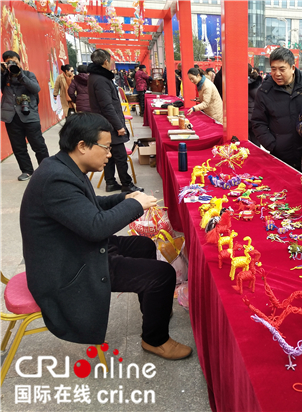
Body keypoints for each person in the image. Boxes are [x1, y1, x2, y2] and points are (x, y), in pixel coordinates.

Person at [20, 113, 193, 359]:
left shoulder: (64, 166)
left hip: (74, 247)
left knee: (143, 245)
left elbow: (89, 205)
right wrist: (136, 206)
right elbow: (96, 227)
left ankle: (155, 310)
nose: (109, 154)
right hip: (68, 267)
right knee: (162, 275)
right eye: (105, 147)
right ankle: (155, 340)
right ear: (82, 146)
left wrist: (123, 198)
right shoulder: (56, 179)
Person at [88, 49, 143, 193]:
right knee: (120, 156)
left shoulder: (97, 77)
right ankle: (126, 184)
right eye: (110, 60)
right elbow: (107, 106)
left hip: (105, 123)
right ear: (105, 62)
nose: (112, 62)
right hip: (109, 125)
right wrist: (118, 126)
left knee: (110, 155)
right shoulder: (100, 80)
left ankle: (110, 182)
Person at [251, 47, 302, 170]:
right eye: (273, 69)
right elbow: (258, 122)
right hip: (281, 154)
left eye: (282, 69)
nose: (277, 73)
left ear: (292, 68)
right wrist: (273, 145)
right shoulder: (265, 91)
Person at [1, 50, 49, 181]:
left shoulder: (28, 74)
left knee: (38, 145)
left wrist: (20, 74)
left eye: (14, 61)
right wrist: (2, 72)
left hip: (29, 116)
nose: (12, 64)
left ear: (19, 61)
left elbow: (35, 89)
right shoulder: (4, 77)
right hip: (11, 116)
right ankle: (27, 170)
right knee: (18, 147)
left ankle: (46, 170)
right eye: (8, 62)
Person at [248, 63, 262, 146]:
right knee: (255, 140)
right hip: (254, 114)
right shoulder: (255, 82)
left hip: (247, 116)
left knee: (249, 141)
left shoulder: (246, 83)